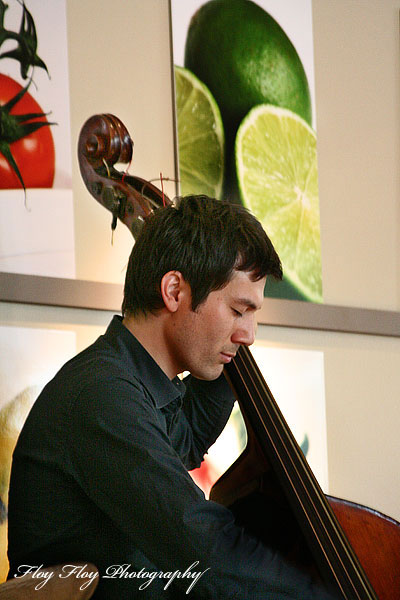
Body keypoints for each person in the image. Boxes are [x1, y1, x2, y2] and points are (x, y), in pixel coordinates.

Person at [7, 195, 340, 599]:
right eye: (238, 310)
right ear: (174, 291)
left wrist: (228, 360)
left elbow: (187, 436)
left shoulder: (135, 387)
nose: (249, 334)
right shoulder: (102, 394)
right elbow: (203, 548)